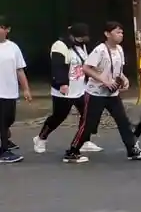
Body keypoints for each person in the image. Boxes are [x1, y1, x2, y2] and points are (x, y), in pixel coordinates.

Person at [63, 22, 141, 163]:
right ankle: (72, 151)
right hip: (95, 93)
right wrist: (103, 79)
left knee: (123, 121)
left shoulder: (119, 50)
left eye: (121, 32)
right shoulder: (100, 50)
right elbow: (86, 68)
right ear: (107, 34)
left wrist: (124, 79)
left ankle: (132, 150)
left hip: (112, 94)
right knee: (89, 124)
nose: (120, 35)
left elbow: (118, 70)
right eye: (117, 32)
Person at [35, 24, 103, 155]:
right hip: (65, 89)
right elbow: (58, 65)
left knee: (88, 114)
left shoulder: (82, 45)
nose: (84, 39)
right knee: (59, 116)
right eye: (81, 37)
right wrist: (61, 83)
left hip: (81, 88)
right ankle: (41, 138)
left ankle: (84, 141)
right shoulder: (60, 45)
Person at [0, 16, 33, 164]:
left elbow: (19, 70)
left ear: (7, 30)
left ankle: (4, 140)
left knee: (9, 119)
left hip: (10, 91)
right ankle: (3, 151)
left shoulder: (13, 47)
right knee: (1, 121)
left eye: (1, 27)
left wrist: (25, 89)